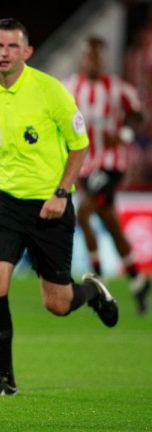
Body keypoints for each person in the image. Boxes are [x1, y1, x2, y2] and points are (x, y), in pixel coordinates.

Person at [0, 18, 119, 396]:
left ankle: (92, 292)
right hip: (5, 203)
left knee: (57, 304)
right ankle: (5, 379)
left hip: (50, 206)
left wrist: (61, 194)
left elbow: (79, 145)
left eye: (13, 47)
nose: (4, 53)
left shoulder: (51, 91)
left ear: (27, 52)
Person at [62, 36, 150, 315]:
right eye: (89, 56)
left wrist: (124, 133)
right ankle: (137, 279)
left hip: (111, 165)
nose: (93, 61)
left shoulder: (117, 88)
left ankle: (98, 276)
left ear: (103, 60)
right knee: (110, 222)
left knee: (84, 213)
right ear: (82, 58)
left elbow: (140, 117)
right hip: (86, 166)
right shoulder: (69, 88)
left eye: (98, 57)